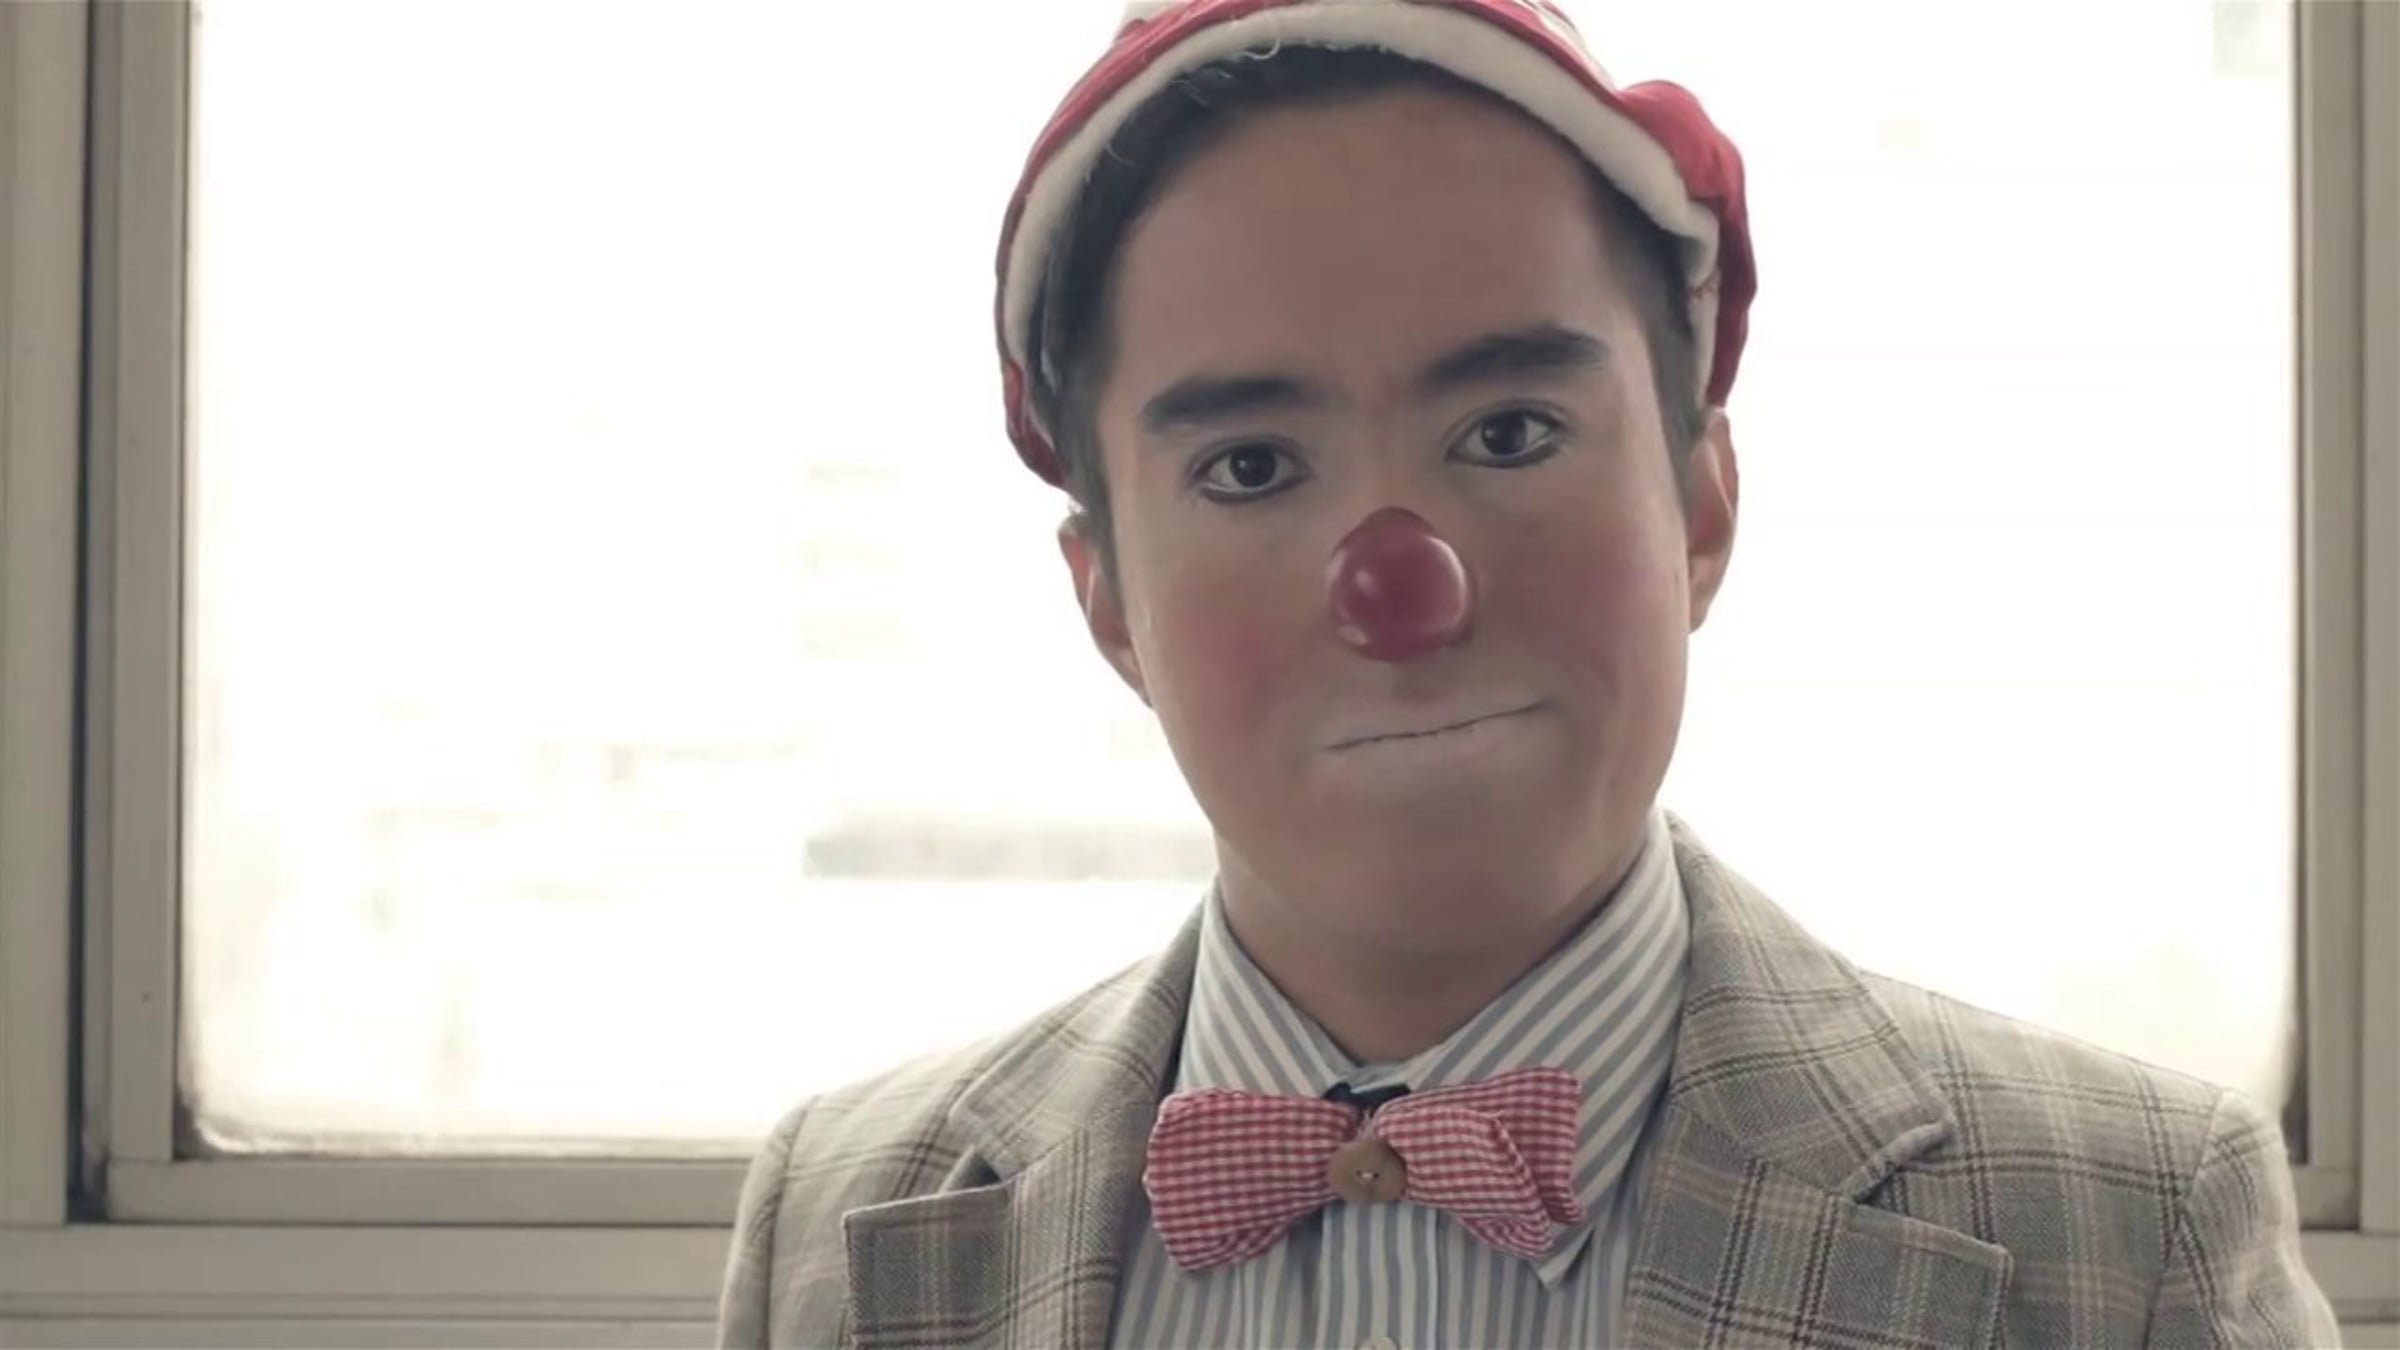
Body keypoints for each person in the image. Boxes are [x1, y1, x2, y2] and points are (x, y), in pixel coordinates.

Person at [717, 1, 2340, 1345]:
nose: (1400, 588)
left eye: (1509, 433)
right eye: (1251, 467)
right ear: (1110, 604)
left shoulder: (2128, 1233)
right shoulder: (844, 1227)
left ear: (1701, 505)